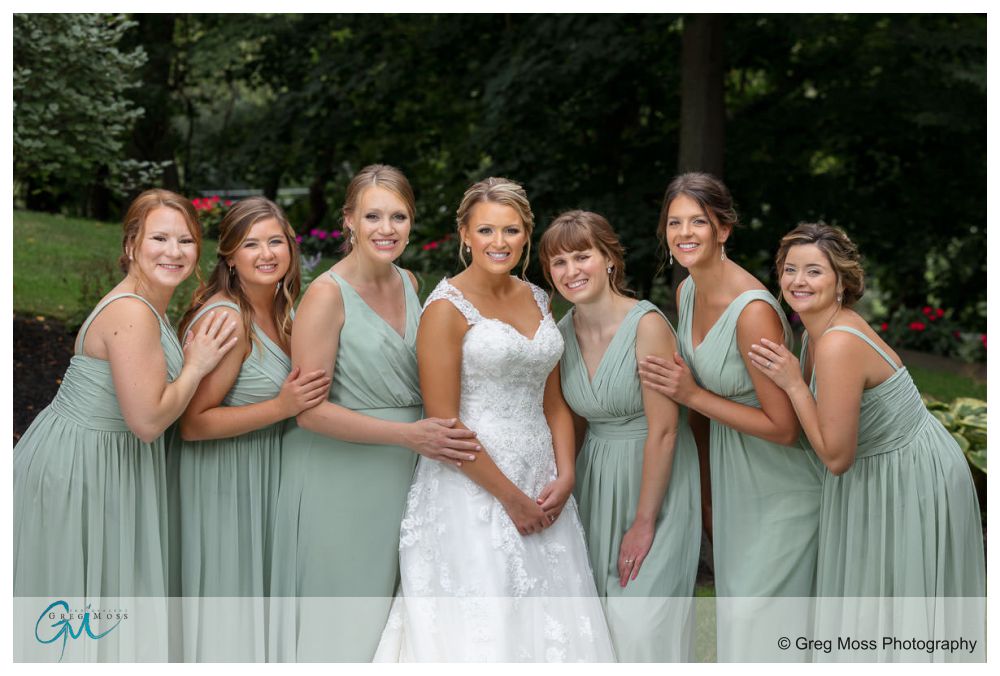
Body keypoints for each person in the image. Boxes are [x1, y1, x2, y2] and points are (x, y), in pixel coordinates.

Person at [375, 178, 615, 662]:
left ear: (526, 234)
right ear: (465, 234)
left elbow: (553, 403)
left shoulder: (540, 298)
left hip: (543, 483)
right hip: (473, 489)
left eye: (511, 231)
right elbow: (445, 429)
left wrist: (565, 475)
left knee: (551, 624)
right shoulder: (444, 309)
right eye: (486, 230)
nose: (499, 243)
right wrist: (511, 499)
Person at [267, 165, 480, 662]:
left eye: (399, 216)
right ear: (349, 221)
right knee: (343, 622)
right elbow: (309, 413)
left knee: (392, 623)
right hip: (339, 476)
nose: (387, 229)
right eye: (373, 216)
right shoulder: (324, 296)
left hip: (405, 473)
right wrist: (409, 437)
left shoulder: (410, 281)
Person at [13, 189, 237, 661]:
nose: (173, 252)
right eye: (159, 237)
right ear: (132, 243)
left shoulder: (147, 304)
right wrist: (196, 365)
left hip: (104, 459)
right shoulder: (132, 313)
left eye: (186, 240)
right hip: (82, 468)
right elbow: (150, 420)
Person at [746, 222, 986, 661]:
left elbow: (836, 458)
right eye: (790, 269)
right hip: (874, 469)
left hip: (911, 473)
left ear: (841, 282)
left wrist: (792, 384)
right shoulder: (813, 334)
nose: (799, 280)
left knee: (901, 606)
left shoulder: (837, 342)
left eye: (814, 271)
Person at [637, 172, 822, 661]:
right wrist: (706, 493)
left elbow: (784, 428)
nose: (684, 233)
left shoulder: (752, 312)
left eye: (698, 221)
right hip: (732, 481)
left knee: (760, 626)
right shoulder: (687, 293)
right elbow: (698, 417)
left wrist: (692, 393)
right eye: (674, 222)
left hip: (782, 487)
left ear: (724, 229)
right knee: (739, 626)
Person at [538, 210, 701, 661]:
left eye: (581, 256)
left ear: (609, 259)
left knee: (641, 626)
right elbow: (567, 419)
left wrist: (644, 522)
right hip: (595, 479)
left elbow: (666, 430)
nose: (571, 271)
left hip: (655, 479)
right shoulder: (560, 334)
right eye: (558, 262)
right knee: (597, 625)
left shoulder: (647, 325)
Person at [174, 197, 330, 661]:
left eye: (275, 241)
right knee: (227, 617)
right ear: (230, 257)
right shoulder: (228, 318)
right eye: (250, 244)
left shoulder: (281, 312)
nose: (266, 254)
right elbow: (193, 424)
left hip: (261, 477)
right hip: (220, 482)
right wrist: (282, 406)